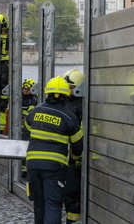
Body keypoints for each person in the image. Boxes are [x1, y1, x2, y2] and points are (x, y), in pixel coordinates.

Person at [26, 76, 83, 224]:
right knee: (53, 205)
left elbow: (26, 130)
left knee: (39, 204)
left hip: (32, 165)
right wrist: (73, 159)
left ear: (47, 93)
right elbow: (78, 146)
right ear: (65, 96)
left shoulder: (36, 111)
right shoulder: (68, 117)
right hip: (54, 168)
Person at [62, 69, 84, 224]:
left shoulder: (77, 106)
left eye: (70, 86)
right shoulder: (68, 103)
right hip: (71, 155)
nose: (67, 89)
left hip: (75, 156)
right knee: (70, 192)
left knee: (72, 192)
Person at [21, 78, 39, 180]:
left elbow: (29, 116)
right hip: (21, 129)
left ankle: (25, 171)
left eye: (27, 88)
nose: (25, 90)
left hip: (27, 129)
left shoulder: (33, 100)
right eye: (24, 88)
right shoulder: (20, 98)